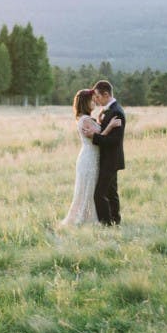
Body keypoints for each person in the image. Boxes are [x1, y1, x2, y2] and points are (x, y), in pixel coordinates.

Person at [61, 88, 122, 226]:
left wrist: (99, 120)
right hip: (89, 158)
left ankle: (94, 217)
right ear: (85, 102)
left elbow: (97, 133)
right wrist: (110, 125)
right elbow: (99, 137)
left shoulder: (87, 118)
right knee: (88, 189)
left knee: (91, 188)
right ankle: (87, 218)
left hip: (91, 156)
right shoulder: (85, 120)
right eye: (91, 100)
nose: (94, 101)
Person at [81, 80, 126, 226]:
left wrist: (94, 137)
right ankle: (115, 221)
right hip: (109, 159)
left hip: (110, 159)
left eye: (98, 97)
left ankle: (106, 224)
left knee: (99, 194)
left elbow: (114, 141)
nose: (97, 101)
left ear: (106, 94)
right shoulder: (110, 110)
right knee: (111, 193)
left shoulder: (116, 112)